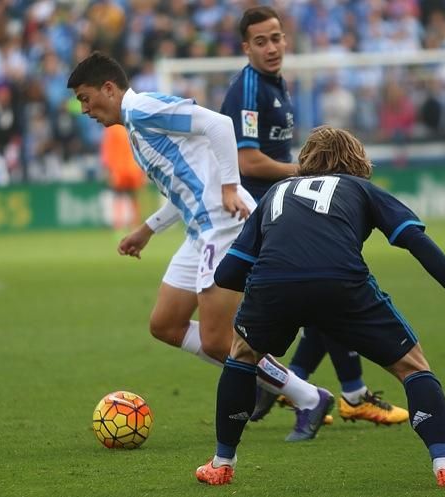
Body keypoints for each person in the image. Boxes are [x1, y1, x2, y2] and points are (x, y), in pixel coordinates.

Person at [195, 126, 445, 488]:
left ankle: (221, 463)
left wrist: (276, 291)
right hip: (341, 283)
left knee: (241, 355)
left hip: (272, 286)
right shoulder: (361, 189)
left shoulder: (276, 192)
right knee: (412, 366)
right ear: (357, 159)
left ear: (304, 161)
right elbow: (416, 241)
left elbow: (226, 274)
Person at [67, 52, 333, 441]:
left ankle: (307, 396)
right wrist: (147, 229)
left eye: (86, 98)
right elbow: (184, 185)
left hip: (222, 225)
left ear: (109, 88)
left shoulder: (141, 109)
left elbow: (219, 124)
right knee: (165, 324)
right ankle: (260, 373)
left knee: (217, 340)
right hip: (199, 230)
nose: (85, 109)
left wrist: (229, 185)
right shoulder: (136, 126)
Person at [219, 6, 407, 428]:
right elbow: (248, 161)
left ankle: (308, 385)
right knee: (325, 290)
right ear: (245, 46)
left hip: (282, 209)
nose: (271, 47)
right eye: (261, 41)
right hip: (259, 214)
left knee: (322, 297)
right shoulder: (248, 89)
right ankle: (330, 390)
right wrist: (310, 173)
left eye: (277, 38)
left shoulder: (275, 83)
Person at [99, 124, 146, 231]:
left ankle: (134, 224)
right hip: (120, 168)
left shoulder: (131, 124)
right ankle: (119, 224)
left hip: (132, 168)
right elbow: (107, 149)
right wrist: (108, 168)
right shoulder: (114, 128)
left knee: (132, 196)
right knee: (119, 196)